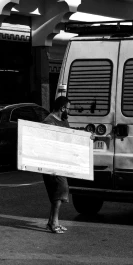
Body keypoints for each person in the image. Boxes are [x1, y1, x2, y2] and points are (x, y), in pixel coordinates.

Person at [41, 96, 75, 234]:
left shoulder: (64, 121)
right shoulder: (49, 122)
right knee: (60, 191)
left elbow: (70, 137)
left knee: (58, 192)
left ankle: (52, 222)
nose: (69, 112)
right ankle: (53, 223)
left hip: (62, 162)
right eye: (68, 109)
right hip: (51, 163)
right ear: (62, 108)